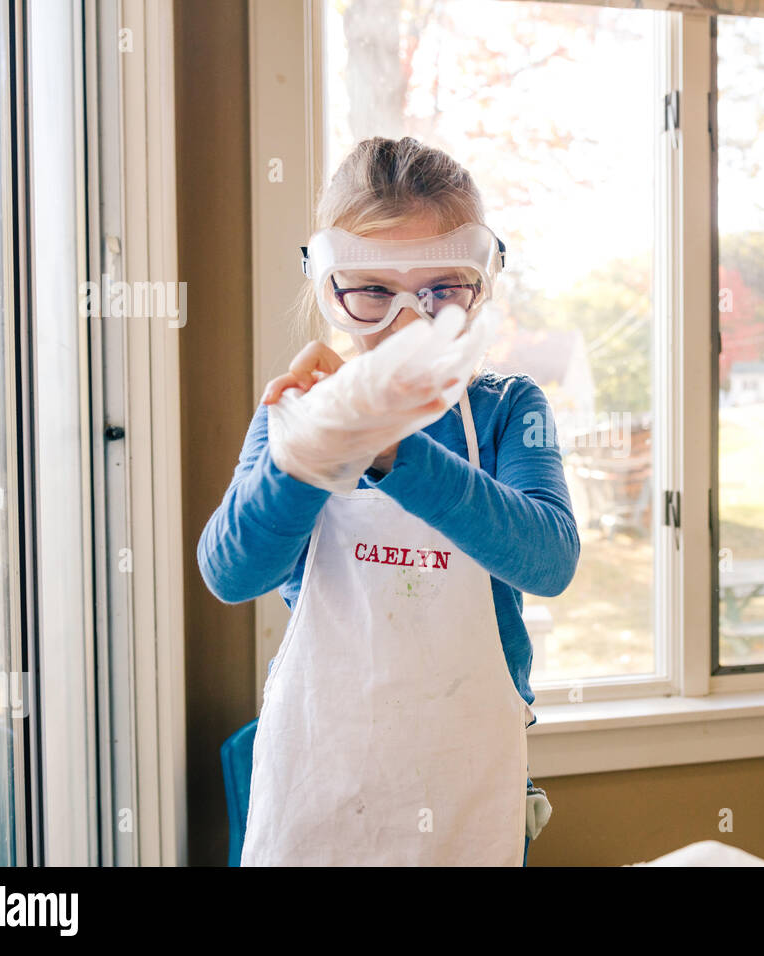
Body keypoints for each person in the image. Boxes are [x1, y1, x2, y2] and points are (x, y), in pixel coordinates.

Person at [197, 135, 579, 864]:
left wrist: (392, 449)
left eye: (442, 292)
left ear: (482, 285)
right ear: (329, 288)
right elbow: (231, 572)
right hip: (322, 769)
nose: (409, 321)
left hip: (469, 772)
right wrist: (310, 446)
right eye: (373, 291)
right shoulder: (304, 406)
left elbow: (550, 561)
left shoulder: (505, 407)